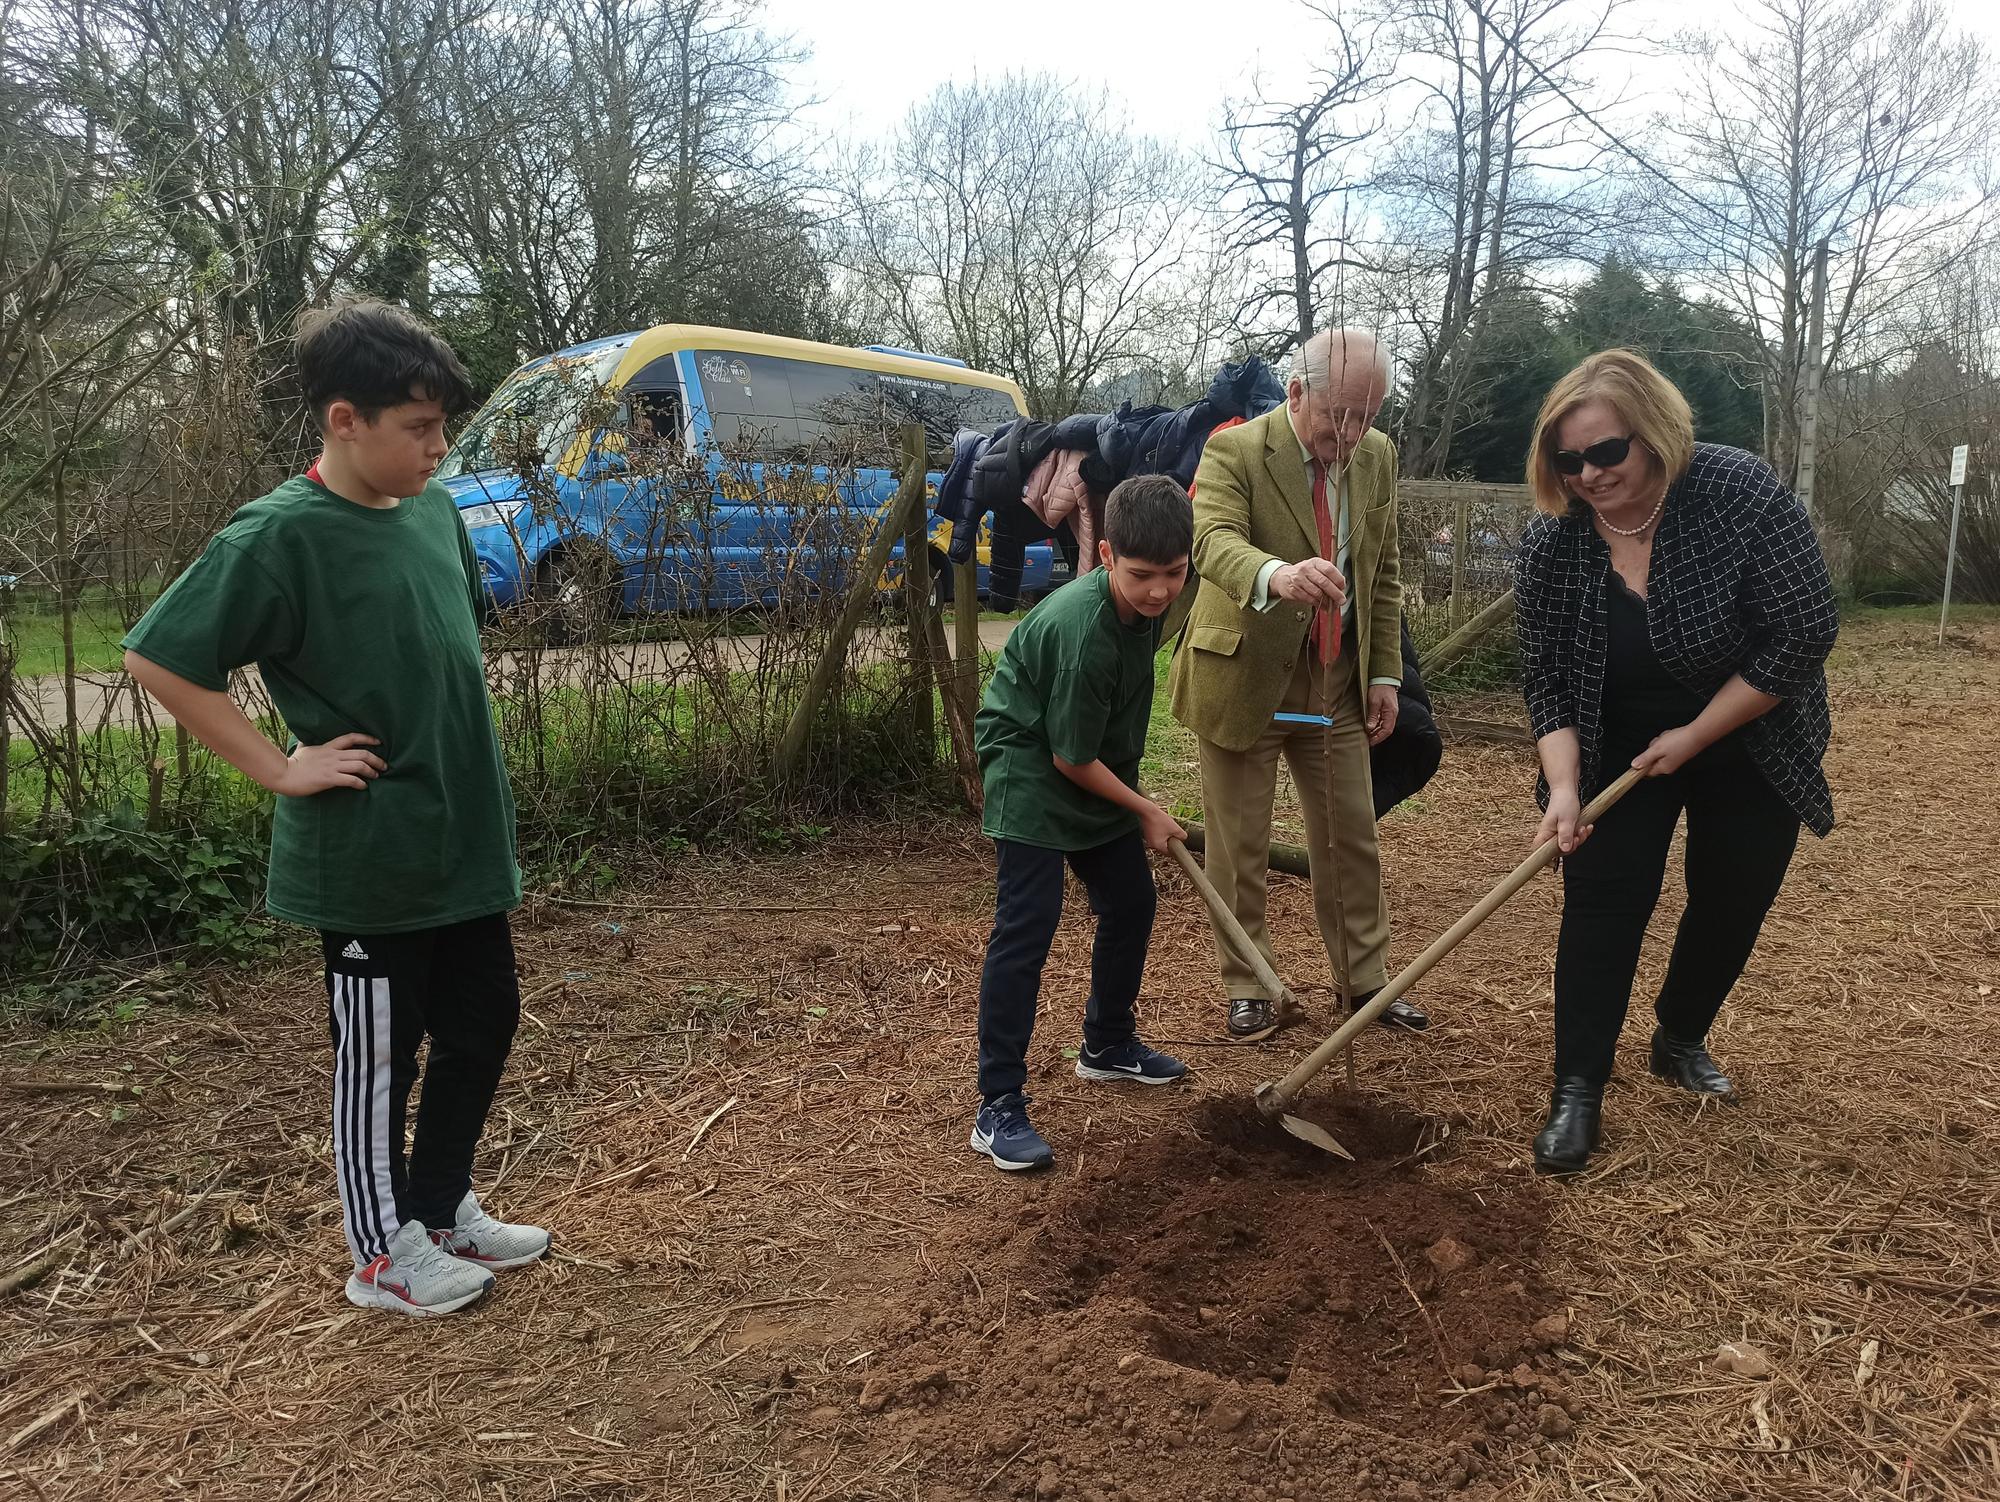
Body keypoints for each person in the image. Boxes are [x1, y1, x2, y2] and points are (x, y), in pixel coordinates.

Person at [122, 299, 550, 1313]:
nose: (439, 449)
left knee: (485, 1020)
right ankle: (379, 1253)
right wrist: (278, 766)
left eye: (443, 425)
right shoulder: (278, 535)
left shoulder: (434, 514)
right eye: (418, 428)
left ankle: (440, 1207)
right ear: (343, 420)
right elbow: (157, 656)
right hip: (367, 857)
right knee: (380, 1060)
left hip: (457, 841)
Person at [1513, 348, 1838, 1175]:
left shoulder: (1736, 492)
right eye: (1569, 459)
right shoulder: (1555, 542)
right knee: (1602, 905)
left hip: (1748, 727)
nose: (1587, 474)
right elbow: (1547, 678)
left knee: (1732, 898)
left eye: (1606, 452)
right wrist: (1562, 786)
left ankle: (1680, 1033)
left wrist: (1696, 736)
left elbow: (1803, 631)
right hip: (1615, 738)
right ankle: (1578, 1089)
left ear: (1653, 435)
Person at [1167, 328, 1429, 1041]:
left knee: (1351, 836)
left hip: (1333, 685)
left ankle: (1364, 985)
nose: (1351, 432)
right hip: (1244, 677)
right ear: (1295, 392)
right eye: (1339, 414)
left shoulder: (1376, 458)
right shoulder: (1236, 450)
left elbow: (1382, 571)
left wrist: (1384, 674)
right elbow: (1210, 540)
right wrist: (1276, 576)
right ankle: (1249, 983)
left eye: (1368, 415)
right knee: (1239, 843)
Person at [968, 475, 1196, 1172]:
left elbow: (1094, 735)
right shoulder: (1080, 631)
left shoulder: (1151, 606)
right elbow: (1069, 758)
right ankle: (997, 1105)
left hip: (1089, 759)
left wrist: (1134, 799)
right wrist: (1147, 809)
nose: (1159, 591)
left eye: (1174, 573)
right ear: (1102, 553)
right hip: (1033, 767)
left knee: (1131, 901)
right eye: (1141, 575)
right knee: (1027, 927)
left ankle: (1106, 1044)